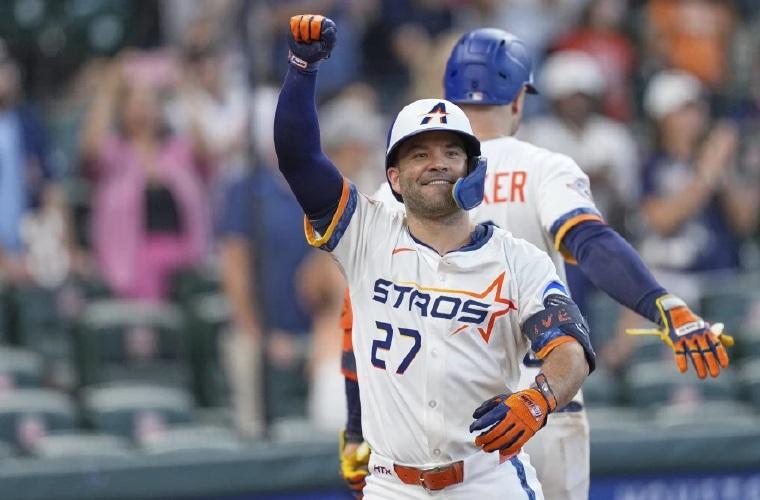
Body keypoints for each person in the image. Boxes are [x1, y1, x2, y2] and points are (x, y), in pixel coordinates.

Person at [339, 29, 733, 500]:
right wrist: (662, 305)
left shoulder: (401, 186)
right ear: (518, 97)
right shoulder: (541, 166)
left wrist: (356, 428)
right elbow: (591, 243)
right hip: (543, 403)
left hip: (435, 432)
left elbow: (359, 321)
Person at [275, 15, 595, 499]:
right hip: (392, 484)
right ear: (395, 177)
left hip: (486, 479)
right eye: (419, 154)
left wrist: (538, 399)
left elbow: (571, 349)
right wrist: (302, 70)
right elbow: (298, 158)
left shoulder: (519, 260)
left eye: (451, 152)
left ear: (473, 169)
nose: (437, 163)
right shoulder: (366, 233)